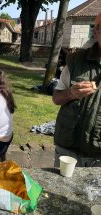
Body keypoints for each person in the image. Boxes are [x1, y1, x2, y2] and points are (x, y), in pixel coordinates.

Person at [52, 13, 101, 167]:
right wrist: (71, 93)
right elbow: (56, 98)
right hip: (67, 149)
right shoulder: (76, 61)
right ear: (96, 31)